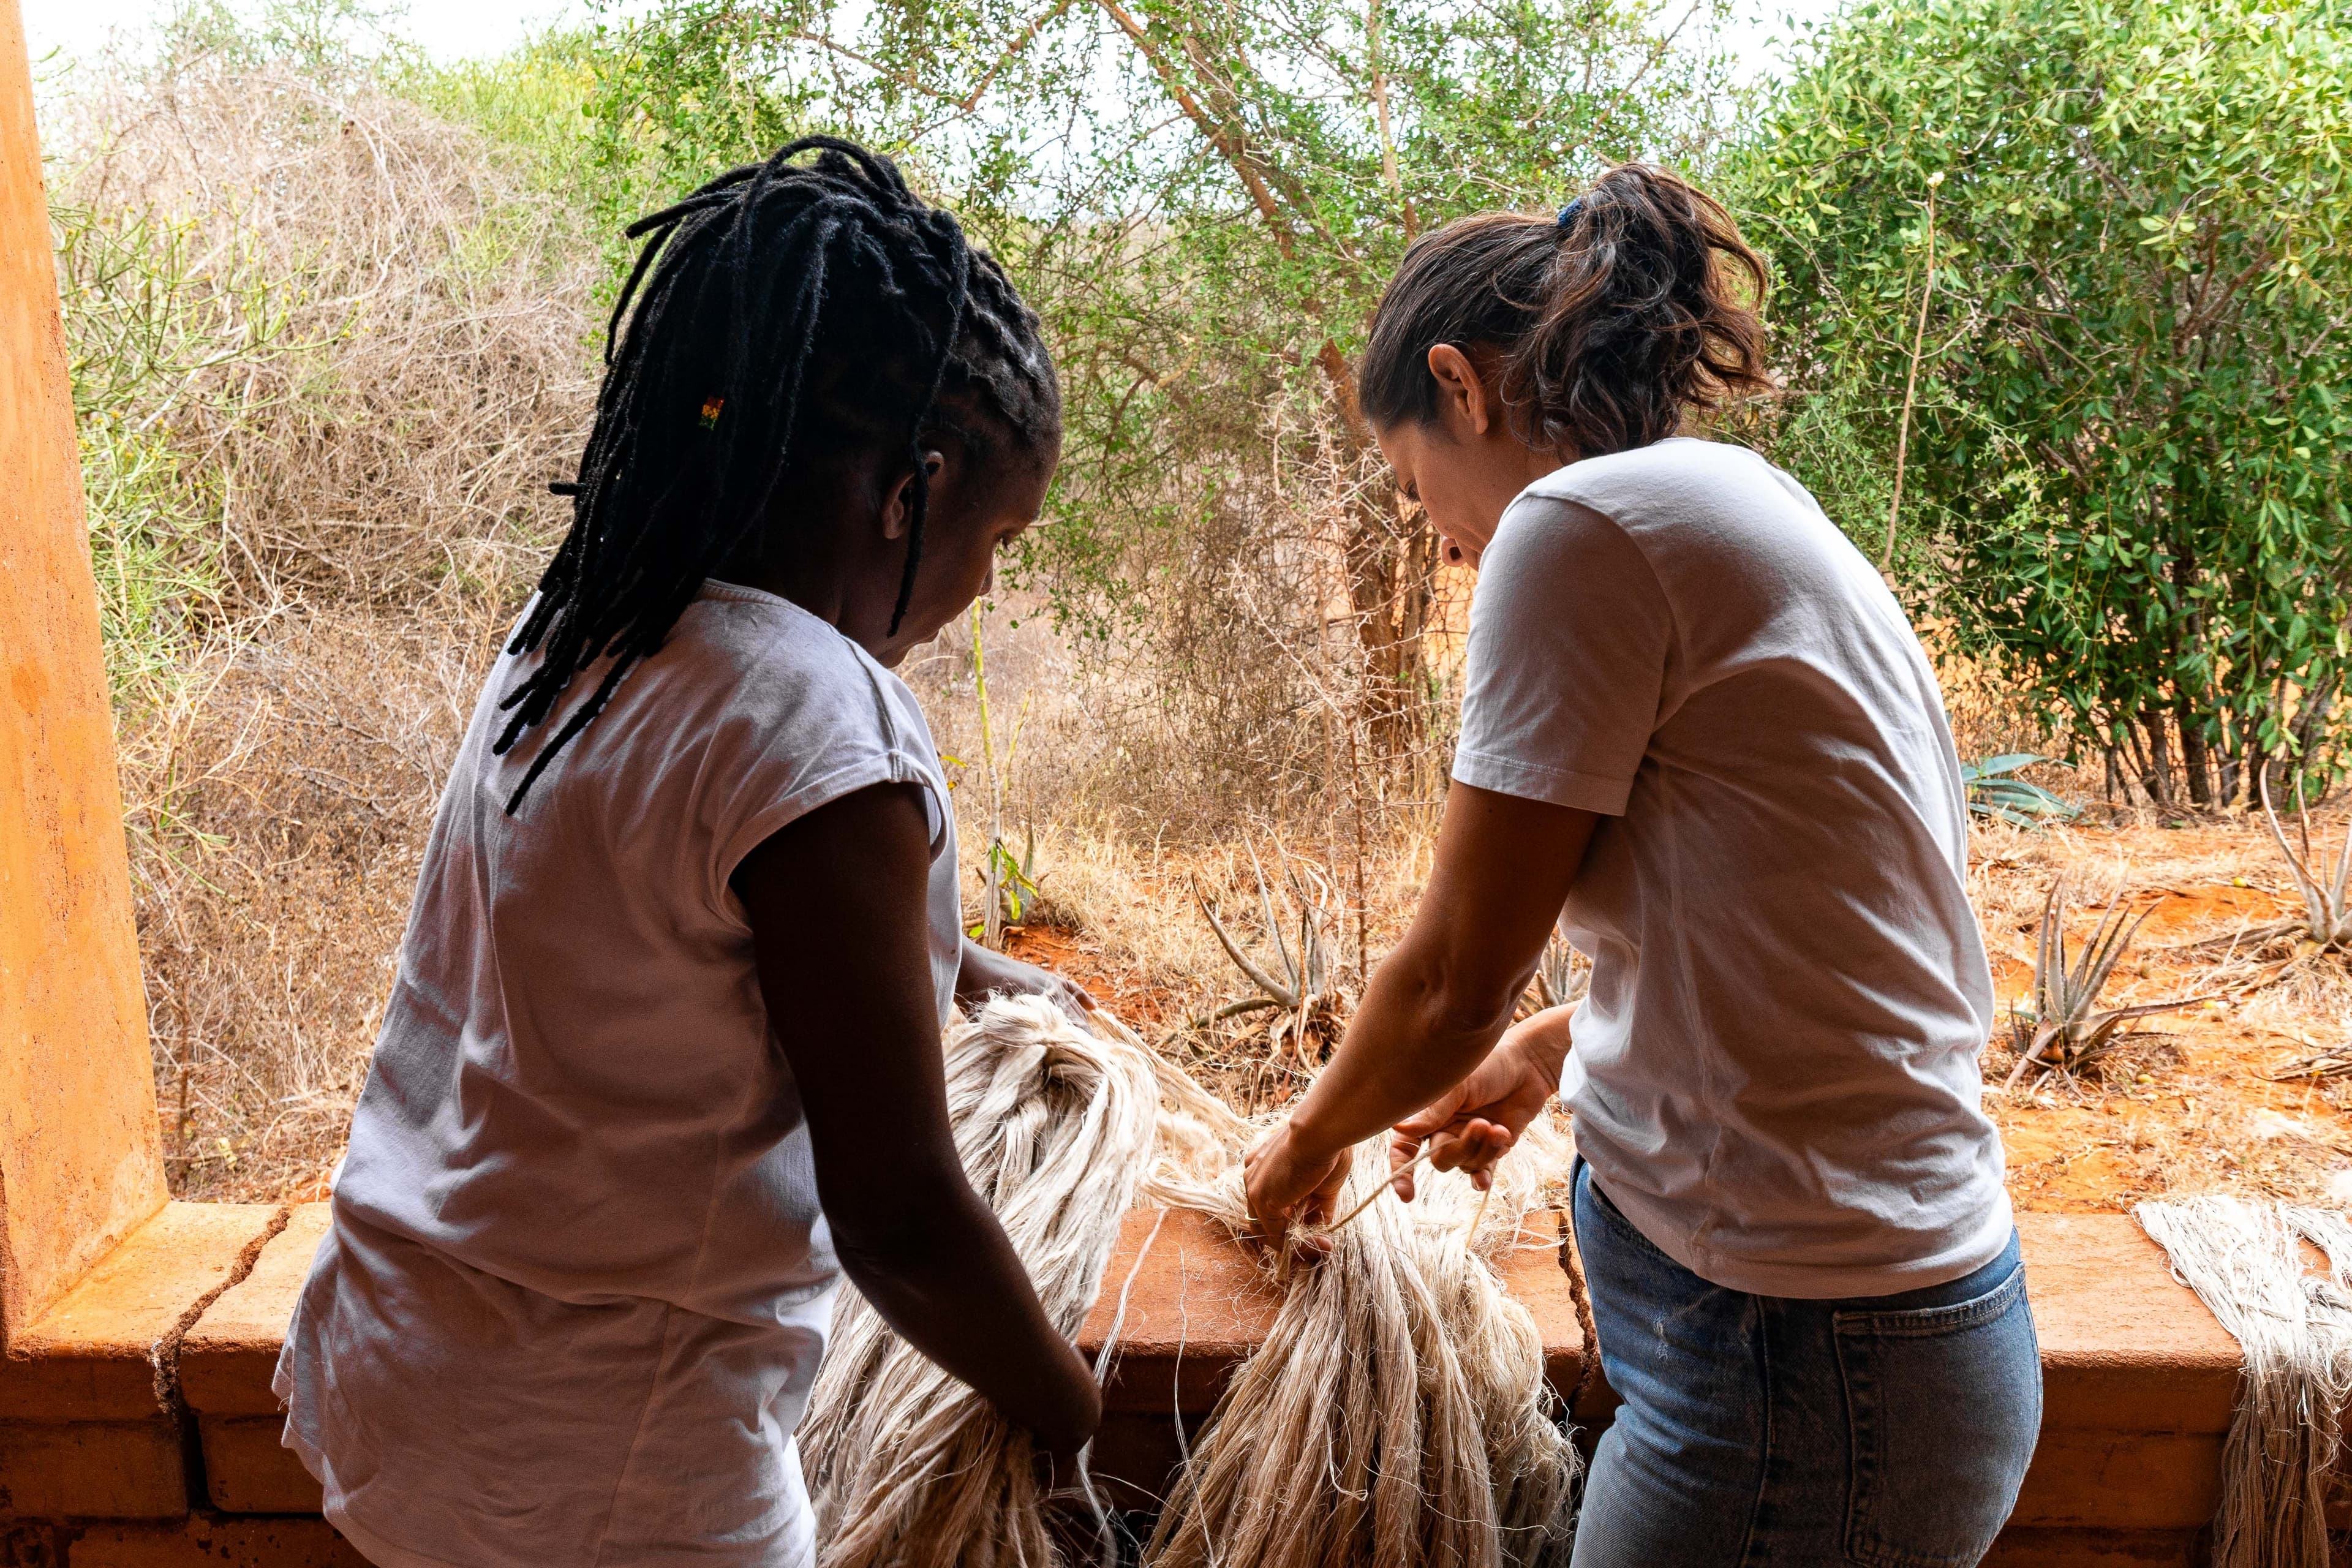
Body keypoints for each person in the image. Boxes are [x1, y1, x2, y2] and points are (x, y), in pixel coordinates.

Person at [274, 138, 1103, 1568]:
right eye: (1002, 535)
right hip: (618, 1469)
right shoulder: (822, 721)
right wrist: (1070, 1408)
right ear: (907, 492)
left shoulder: (588, 623)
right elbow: (900, 1213)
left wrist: (963, 967)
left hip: (396, 1374)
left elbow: (648, 903)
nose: (985, 583)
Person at [1243, 164, 2041, 1568]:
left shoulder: (1576, 532)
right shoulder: (1735, 503)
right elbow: (1806, 914)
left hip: (1798, 1374)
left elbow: (1447, 980)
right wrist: (1561, 1048)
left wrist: (1299, 1148)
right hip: (1853, 1343)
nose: (1436, 537)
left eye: (1413, 477)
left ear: (1461, 383)